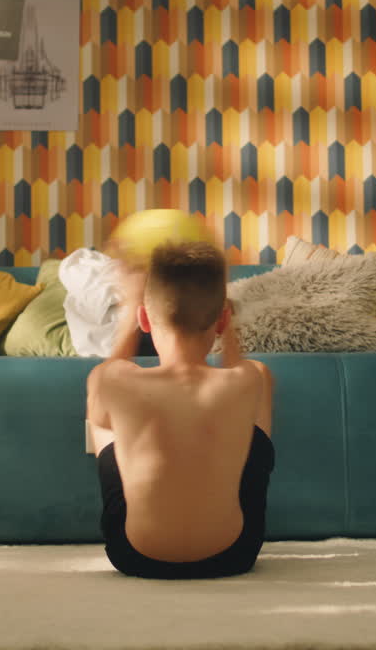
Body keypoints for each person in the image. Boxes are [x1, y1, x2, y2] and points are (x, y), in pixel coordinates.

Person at [86, 241, 275, 579]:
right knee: (250, 410)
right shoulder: (250, 378)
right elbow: (238, 367)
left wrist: (131, 303)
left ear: (144, 318)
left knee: (103, 423)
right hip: (234, 555)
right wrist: (226, 321)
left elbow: (101, 412)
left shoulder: (111, 379)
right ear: (222, 320)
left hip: (134, 555)